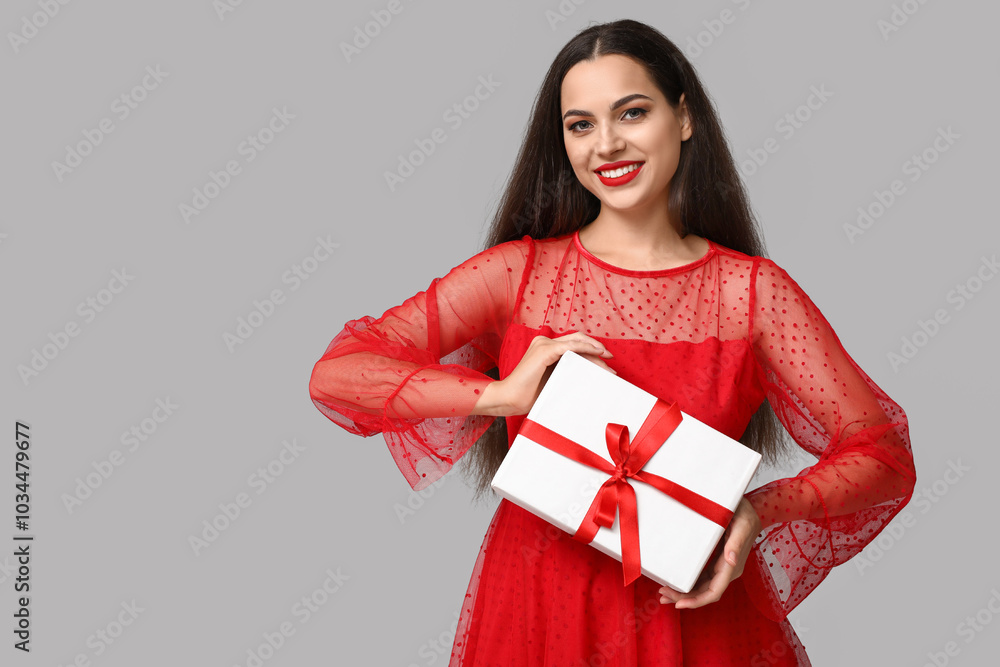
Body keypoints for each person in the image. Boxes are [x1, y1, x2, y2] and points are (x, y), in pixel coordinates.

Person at [308, 18, 916, 666]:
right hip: (537, 608)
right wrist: (496, 394)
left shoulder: (751, 294)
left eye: (631, 112)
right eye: (580, 124)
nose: (606, 144)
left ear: (683, 118)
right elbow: (338, 374)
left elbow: (882, 453)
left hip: (694, 616)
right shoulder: (520, 275)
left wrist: (755, 510)